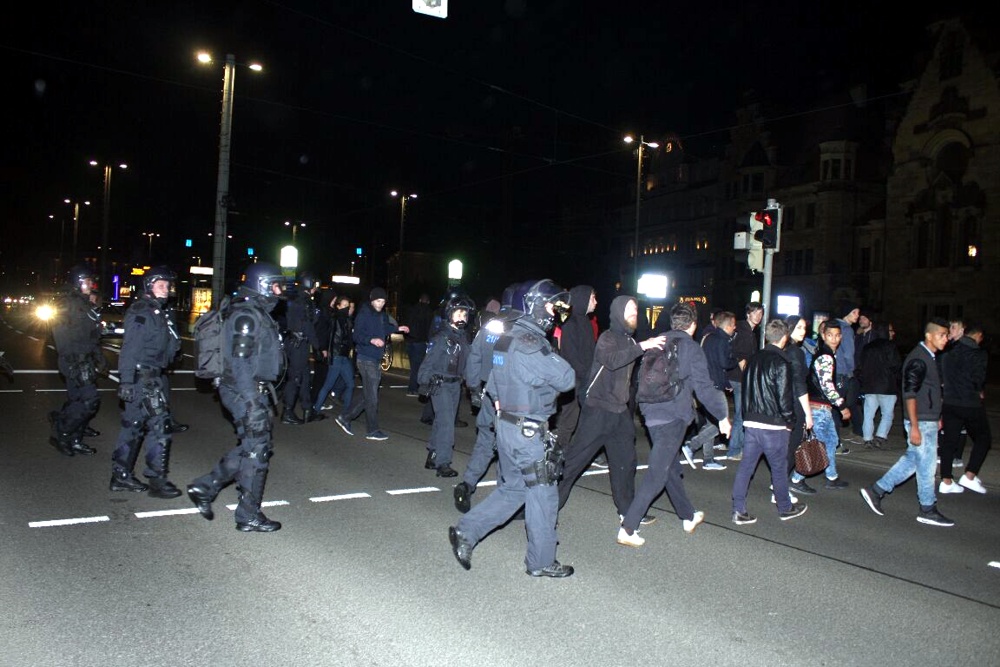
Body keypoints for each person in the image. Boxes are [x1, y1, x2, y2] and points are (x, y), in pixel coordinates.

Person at [448, 279, 576, 577]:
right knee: (544, 494)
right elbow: (567, 378)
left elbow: (493, 386)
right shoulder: (530, 343)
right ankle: (541, 562)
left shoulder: (505, 339)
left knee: (514, 490)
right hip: (527, 430)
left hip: (506, 426)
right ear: (529, 306)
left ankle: (466, 532)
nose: (552, 311)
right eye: (548, 304)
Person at [617, 303, 731, 547]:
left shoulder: (657, 341)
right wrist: (722, 416)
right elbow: (704, 388)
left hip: (649, 411)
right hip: (673, 416)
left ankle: (688, 515)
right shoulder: (690, 347)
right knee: (658, 472)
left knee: (669, 466)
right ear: (693, 325)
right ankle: (628, 527)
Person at [187, 262, 287, 532]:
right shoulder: (246, 315)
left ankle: (205, 487)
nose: (279, 290)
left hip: (249, 389)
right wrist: (252, 401)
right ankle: (247, 515)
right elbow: (240, 363)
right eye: (276, 285)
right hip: (242, 390)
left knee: (252, 446)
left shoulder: (255, 312)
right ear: (262, 284)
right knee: (257, 450)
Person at [558, 294, 666, 520]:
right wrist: (642, 346)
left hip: (619, 412)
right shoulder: (608, 337)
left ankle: (627, 511)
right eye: (629, 310)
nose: (634, 314)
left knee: (626, 462)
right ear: (618, 312)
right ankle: (547, 503)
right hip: (598, 410)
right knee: (574, 462)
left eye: (636, 310)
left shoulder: (628, 340)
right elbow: (612, 360)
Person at [860, 319, 954, 526]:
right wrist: (915, 426)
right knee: (927, 467)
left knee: (913, 461)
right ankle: (927, 508)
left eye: (947, 335)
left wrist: (937, 417)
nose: (946, 339)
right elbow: (909, 395)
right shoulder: (919, 359)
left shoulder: (929, 357)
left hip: (927, 419)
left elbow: (928, 390)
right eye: (942, 335)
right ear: (929, 336)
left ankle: (876, 491)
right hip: (920, 421)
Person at [109, 266, 183, 498]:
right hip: (143, 378)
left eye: (167, 285)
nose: (165, 288)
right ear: (148, 286)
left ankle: (122, 476)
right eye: (160, 284)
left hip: (153, 377)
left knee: (135, 427)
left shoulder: (160, 312)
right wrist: (127, 382)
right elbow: (130, 348)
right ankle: (155, 480)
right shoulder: (143, 311)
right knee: (154, 427)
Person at [731, 319, 808, 524]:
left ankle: (738, 509)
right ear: (784, 337)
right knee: (779, 468)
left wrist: (747, 416)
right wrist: (790, 421)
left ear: (766, 336)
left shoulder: (753, 360)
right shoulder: (782, 362)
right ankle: (784, 507)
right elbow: (784, 396)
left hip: (752, 422)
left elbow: (747, 391)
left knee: (746, 467)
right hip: (774, 424)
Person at [453, 284, 520, 513]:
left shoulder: (491, 327)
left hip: (488, 393)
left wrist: (473, 388)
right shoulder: (521, 329)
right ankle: (506, 499)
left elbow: (474, 356)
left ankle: (467, 484)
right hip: (508, 397)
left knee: (486, 443)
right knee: (507, 448)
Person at [333, 287, 409, 441]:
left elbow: (383, 328)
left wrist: (397, 328)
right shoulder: (364, 313)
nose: (380, 304)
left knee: (369, 393)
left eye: (383, 301)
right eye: (378, 301)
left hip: (374, 359)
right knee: (372, 397)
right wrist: (371, 340)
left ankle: (345, 417)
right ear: (372, 300)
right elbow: (357, 335)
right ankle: (372, 430)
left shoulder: (379, 314)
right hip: (366, 358)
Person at [48, 265, 103, 457]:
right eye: (87, 281)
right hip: (73, 360)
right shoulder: (66, 303)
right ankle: (62, 432)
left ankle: (76, 440)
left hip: (85, 359)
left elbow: (92, 336)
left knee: (78, 400)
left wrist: (99, 358)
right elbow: (60, 334)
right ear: (77, 282)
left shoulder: (86, 304)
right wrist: (72, 359)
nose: (90, 284)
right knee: (90, 400)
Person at [790, 320, 851, 491]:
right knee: (816, 444)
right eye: (830, 335)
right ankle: (797, 479)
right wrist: (842, 405)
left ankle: (831, 476)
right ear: (824, 336)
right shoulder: (825, 356)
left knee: (830, 441)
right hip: (819, 407)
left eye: (837, 335)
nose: (834, 338)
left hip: (821, 407)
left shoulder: (826, 353)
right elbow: (826, 385)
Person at [418, 293, 474, 477]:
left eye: (464, 315)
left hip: (454, 385)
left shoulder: (464, 337)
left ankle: (433, 456)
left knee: (441, 422)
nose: (462, 318)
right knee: (447, 424)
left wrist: (472, 383)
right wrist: (424, 383)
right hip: (439, 383)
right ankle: (443, 463)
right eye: (458, 314)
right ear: (450, 314)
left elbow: (466, 362)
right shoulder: (441, 337)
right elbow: (427, 362)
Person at [938, 323, 990, 495]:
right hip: (969, 403)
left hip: (950, 402)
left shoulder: (948, 352)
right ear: (978, 336)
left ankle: (946, 480)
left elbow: (942, 376)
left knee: (949, 442)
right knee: (983, 438)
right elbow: (978, 379)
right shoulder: (978, 354)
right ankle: (969, 476)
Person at [554, 285, 598, 445]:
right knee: (569, 419)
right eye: (593, 298)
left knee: (587, 418)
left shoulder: (584, 321)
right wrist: (586, 375)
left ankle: (584, 449)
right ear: (583, 299)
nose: (596, 302)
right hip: (574, 380)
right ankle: (558, 452)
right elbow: (571, 355)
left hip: (586, 378)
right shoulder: (570, 323)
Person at [280, 271, 326, 424]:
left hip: (296, 343)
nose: (315, 289)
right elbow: (308, 326)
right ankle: (287, 412)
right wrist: (318, 346)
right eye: (314, 286)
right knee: (295, 378)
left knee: (305, 377)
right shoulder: (304, 301)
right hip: (299, 343)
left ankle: (308, 409)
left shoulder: (297, 298)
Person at [697, 310, 738, 470]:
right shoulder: (722, 340)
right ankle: (693, 445)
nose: (734, 328)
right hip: (715, 387)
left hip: (708, 383)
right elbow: (723, 364)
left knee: (712, 422)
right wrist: (735, 360)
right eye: (733, 325)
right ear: (727, 326)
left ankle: (708, 459)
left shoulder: (708, 338)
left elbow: (712, 364)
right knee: (721, 421)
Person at [725, 302, 763, 461]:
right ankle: (734, 450)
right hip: (739, 378)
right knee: (741, 414)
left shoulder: (744, 330)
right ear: (748, 314)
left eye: (760, 313)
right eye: (755, 312)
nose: (758, 316)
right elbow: (740, 355)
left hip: (735, 376)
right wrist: (748, 376)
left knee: (741, 413)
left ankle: (734, 446)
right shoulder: (744, 331)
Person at [783, 315, 816, 496]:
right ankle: (780, 486)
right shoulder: (795, 352)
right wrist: (808, 413)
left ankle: (781, 482)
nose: (803, 331)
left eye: (804, 328)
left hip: (784, 402)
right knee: (793, 445)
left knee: (787, 445)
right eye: (799, 328)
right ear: (789, 329)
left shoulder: (784, 348)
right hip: (795, 402)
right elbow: (799, 383)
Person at [857, 323, 901, 449]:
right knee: (887, 414)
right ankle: (880, 436)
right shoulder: (890, 346)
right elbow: (896, 365)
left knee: (868, 414)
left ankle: (867, 438)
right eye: (891, 331)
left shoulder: (868, 347)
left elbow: (860, 366)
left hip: (870, 386)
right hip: (887, 387)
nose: (893, 333)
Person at [310, 296, 355, 418]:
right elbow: (328, 336)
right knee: (328, 384)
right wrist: (324, 349)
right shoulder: (335, 319)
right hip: (336, 356)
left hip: (343, 357)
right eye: (344, 305)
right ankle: (316, 408)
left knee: (350, 384)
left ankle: (345, 413)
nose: (347, 308)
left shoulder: (347, 321)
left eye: (348, 305)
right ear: (338, 306)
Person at [835, 303, 862, 447]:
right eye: (854, 312)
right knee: (841, 406)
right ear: (846, 314)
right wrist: (851, 370)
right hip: (843, 372)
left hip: (832, 370)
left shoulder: (833, 326)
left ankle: (832, 441)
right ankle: (835, 442)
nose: (857, 316)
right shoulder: (846, 329)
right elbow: (848, 353)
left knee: (833, 407)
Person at [403, 293, 434, 397]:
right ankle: (413, 388)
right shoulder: (429, 312)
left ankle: (412, 387)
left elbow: (406, 322)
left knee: (413, 366)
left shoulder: (412, 309)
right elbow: (429, 328)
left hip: (410, 340)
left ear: (420, 300)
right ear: (428, 302)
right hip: (420, 341)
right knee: (418, 366)